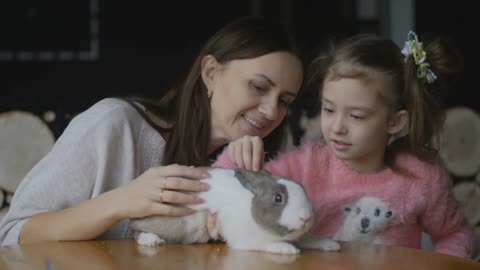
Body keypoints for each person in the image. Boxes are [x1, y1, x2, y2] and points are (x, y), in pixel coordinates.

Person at [0, 16, 305, 245]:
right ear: (210, 73)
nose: (271, 111)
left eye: (284, 101)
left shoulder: (267, 166)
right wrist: (120, 202)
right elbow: (13, 233)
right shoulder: (114, 125)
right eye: (258, 87)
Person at [213, 31, 474, 258]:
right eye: (328, 109)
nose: (337, 127)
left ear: (395, 122)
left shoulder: (422, 177)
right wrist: (235, 156)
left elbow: (455, 234)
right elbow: (230, 191)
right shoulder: (306, 164)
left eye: (356, 116)